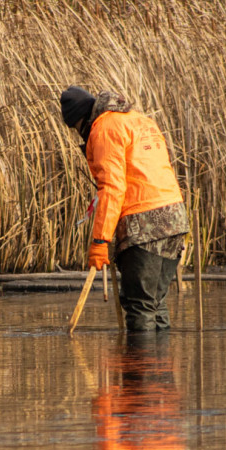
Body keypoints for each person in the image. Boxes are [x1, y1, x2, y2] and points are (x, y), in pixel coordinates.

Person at [60, 86, 190, 332]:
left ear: (81, 120)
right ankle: (158, 368)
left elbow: (112, 188)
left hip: (143, 225)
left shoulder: (104, 129)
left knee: (140, 307)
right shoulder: (140, 120)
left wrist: (100, 240)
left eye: (76, 128)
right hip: (174, 218)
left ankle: (139, 368)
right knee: (154, 303)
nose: (80, 135)